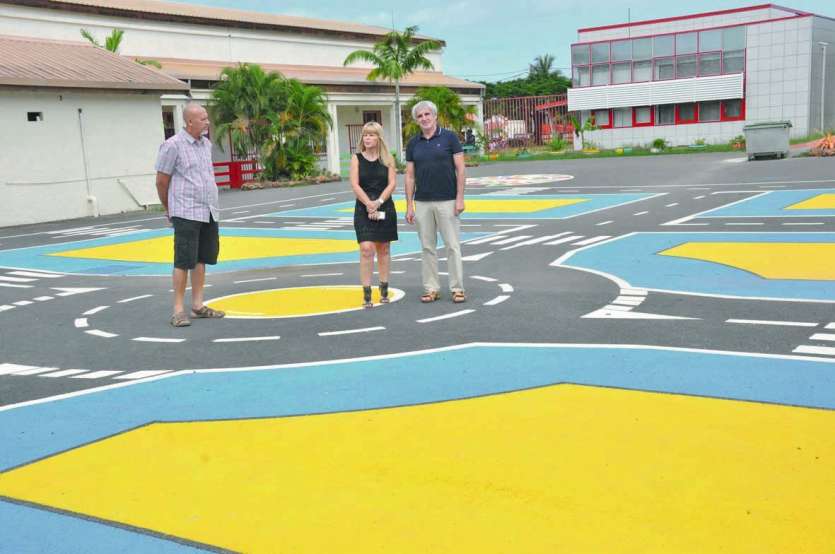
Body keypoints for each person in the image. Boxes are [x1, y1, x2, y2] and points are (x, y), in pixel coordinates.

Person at [155, 103, 225, 327]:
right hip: (185, 211)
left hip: (208, 211)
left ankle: (197, 305)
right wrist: (169, 208)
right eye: (203, 119)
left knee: (202, 259)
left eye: (207, 118)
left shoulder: (206, 145)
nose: (207, 122)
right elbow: (161, 181)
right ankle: (178, 310)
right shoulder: (172, 146)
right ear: (190, 122)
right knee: (183, 261)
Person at [405, 100, 467, 303]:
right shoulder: (414, 143)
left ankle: (457, 288)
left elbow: (461, 169)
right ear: (417, 120)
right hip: (422, 202)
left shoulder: (450, 138)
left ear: (435, 116)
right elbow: (410, 176)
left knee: (452, 246)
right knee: (427, 247)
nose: (424, 118)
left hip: (448, 200)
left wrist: (460, 198)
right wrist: (409, 205)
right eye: (420, 116)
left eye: (427, 114)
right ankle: (431, 288)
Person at [350, 121, 398, 308]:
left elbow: (392, 184)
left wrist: (378, 203)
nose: (367, 138)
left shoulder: (388, 159)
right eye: (365, 135)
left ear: (379, 138)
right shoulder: (356, 158)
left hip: (384, 207)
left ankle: (384, 288)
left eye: (371, 135)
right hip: (363, 208)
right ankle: (367, 292)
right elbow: (354, 184)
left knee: (383, 248)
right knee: (367, 248)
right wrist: (369, 204)